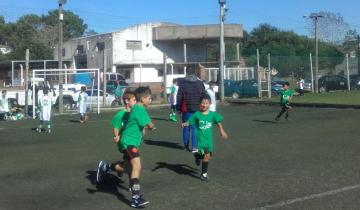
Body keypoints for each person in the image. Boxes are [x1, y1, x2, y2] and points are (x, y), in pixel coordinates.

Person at [117, 86, 155, 208]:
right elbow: (149, 124)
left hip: (128, 141)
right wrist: (152, 126)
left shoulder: (137, 108)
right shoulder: (140, 109)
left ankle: (106, 167)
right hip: (129, 143)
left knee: (127, 168)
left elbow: (139, 123)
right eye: (150, 98)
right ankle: (136, 198)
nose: (151, 100)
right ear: (143, 98)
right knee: (137, 166)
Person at [182, 94, 228, 181]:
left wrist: (221, 130)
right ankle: (204, 175)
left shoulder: (212, 114)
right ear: (200, 104)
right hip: (201, 141)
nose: (204, 105)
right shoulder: (197, 114)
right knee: (206, 156)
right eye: (202, 103)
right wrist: (185, 123)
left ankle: (197, 155)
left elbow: (218, 122)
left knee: (208, 157)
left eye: (206, 103)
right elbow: (190, 122)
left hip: (209, 141)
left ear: (210, 104)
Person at [96, 91, 137, 187]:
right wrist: (117, 136)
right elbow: (116, 127)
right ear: (127, 101)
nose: (136, 102)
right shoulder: (121, 114)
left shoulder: (134, 114)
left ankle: (114, 167)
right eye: (134, 100)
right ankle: (107, 167)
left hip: (132, 142)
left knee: (130, 165)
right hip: (125, 143)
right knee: (132, 165)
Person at [177, 68, 206, 152]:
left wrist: (178, 108)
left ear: (187, 73)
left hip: (186, 109)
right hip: (197, 109)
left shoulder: (182, 84)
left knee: (186, 127)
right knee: (195, 128)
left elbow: (179, 97)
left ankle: (186, 145)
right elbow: (204, 95)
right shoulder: (200, 83)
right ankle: (194, 147)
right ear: (195, 73)